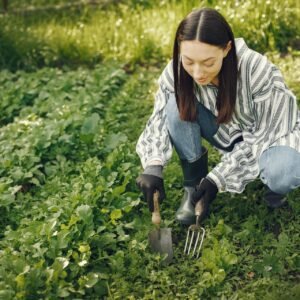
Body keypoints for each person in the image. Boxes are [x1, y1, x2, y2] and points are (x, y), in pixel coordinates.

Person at [135, 7, 300, 225]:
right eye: (189, 61)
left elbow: (264, 136)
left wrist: (216, 179)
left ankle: (272, 186)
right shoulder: (176, 69)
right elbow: (158, 118)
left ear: (226, 49)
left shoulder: (255, 68)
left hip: (272, 135)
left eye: (208, 63)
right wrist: (153, 165)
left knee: (282, 174)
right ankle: (194, 188)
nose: (197, 73)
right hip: (226, 131)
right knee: (175, 105)